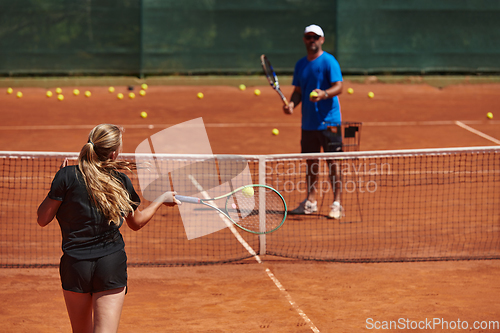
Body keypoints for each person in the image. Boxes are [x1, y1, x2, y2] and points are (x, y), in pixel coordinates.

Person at [37, 124, 180, 333]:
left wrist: (58, 183)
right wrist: (161, 200)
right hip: (110, 264)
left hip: (75, 266)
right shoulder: (120, 181)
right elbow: (137, 222)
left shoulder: (66, 177)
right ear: (113, 153)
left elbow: (42, 219)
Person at [284, 24, 344, 219]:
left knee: (333, 162)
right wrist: (292, 104)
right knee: (311, 163)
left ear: (322, 40)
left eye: (315, 37)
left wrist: (324, 93)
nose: (312, 40)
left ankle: (337, 203)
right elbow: (298, 92)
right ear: (304, 39)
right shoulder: (300, 64)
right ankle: (310, 202)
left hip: (329, 122)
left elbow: (339, 87)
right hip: (308, 123)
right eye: (309, 37)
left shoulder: (329, 62)